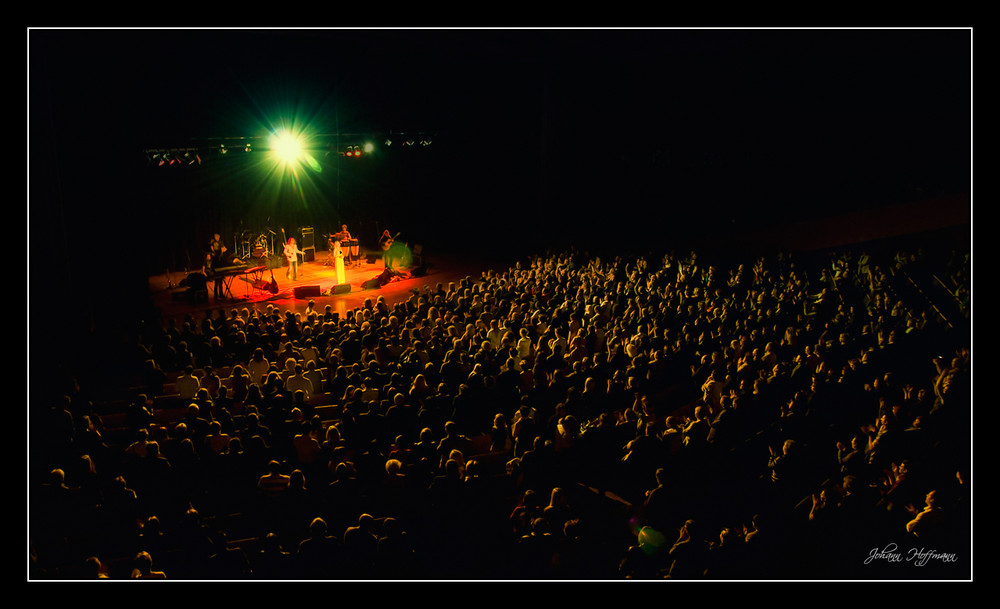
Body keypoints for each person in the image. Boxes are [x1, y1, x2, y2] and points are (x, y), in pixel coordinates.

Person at [208, 233, 229, 301]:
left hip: (219, 267)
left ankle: (220, 294)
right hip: (216, 268)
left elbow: (223, 248)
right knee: (217, 282)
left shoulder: (220, 243)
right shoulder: (213, 242)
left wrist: (222, 252)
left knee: (220, 282)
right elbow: (211, 247)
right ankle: (216, 295)